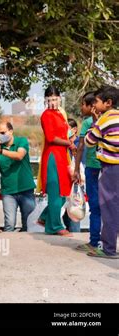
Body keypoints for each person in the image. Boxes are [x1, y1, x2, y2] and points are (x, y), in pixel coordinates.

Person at [85, 85, 119, 259]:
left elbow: (89, 141)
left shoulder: (105, 118)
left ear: (108, 103)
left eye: (96, 101)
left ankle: (109, 249)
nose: (94, 105)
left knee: (109, 207)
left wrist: (95, 121)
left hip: (111, 169)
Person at [38, 86, 75, 236]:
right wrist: (69, 143)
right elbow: (51, 138)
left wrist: (70, 139)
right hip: (53, 156)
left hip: (63, 155)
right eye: (50, 99)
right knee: (56, 191)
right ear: (45, 101)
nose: (53, 102)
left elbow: (65, 133)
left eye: (55, 99)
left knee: (65, 191)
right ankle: (55, 226)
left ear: (60, 98)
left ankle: (45, 217)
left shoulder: (61, 114)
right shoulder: (46, 115)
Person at [73, 92, 102, 252]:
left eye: (83, 104)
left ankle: (97, 242)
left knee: (98, 206)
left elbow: (82, 147)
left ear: (92, 107)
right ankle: (95, 241)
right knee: (98, 206)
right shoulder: (87, 123)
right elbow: (81, 147)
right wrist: (77, 168)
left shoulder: (90, 123)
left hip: (98, 168)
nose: (81, 107)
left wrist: (77, 168)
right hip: (93, 168)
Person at [0, 122, 36, 232]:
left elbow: (19, 156)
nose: (0, 136)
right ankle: (11, 247)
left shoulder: (21, 141)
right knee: (9, 224)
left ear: (11, 131)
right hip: (8, 192)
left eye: (3, 133)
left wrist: (1, 151)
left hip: (25, 190)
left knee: (28, 224)